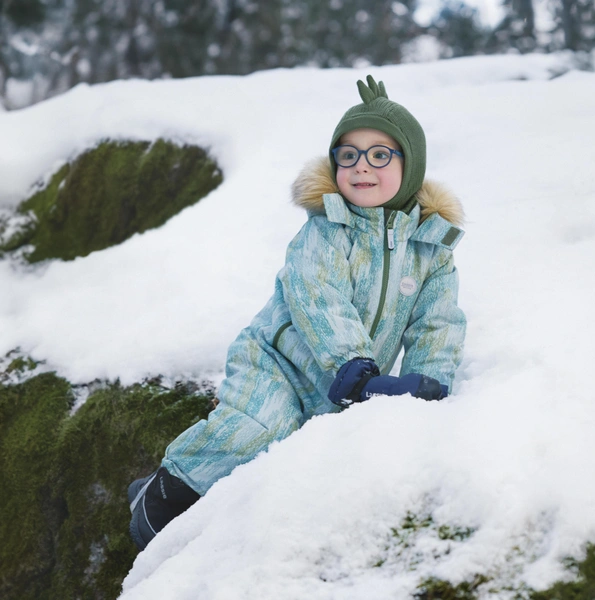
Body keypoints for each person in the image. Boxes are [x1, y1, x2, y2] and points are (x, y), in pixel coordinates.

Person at [128, 75, 466, 551]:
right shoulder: (325, 231)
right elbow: (318, 298)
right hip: (279, 363)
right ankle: (160, 496)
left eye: (379, 155)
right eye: (348, 155)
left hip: (346, 386)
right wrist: (354, 366)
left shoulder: (432, 250)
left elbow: (438, 322)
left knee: (299, 466)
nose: (361, 166)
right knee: (259, 430)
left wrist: (428, 382)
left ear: (411, 167)